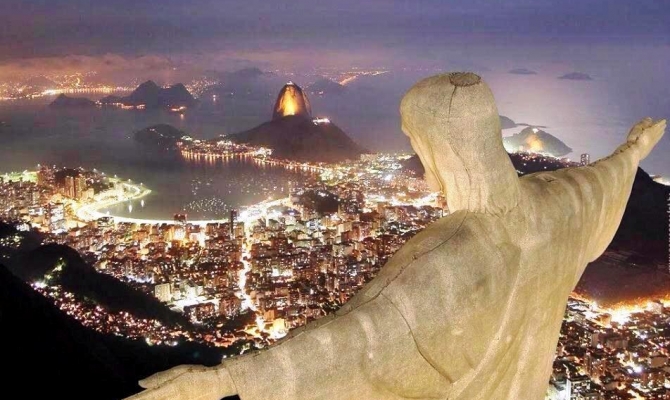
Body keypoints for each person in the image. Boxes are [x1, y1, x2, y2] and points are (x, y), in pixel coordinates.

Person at [127, 72, 666, 400]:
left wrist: (223, 382)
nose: (420, 163)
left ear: (439, 147)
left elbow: (356, 342)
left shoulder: (453, 253)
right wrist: (636, 149)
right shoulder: (558, 203)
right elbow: (604, 179)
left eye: (416, 143)